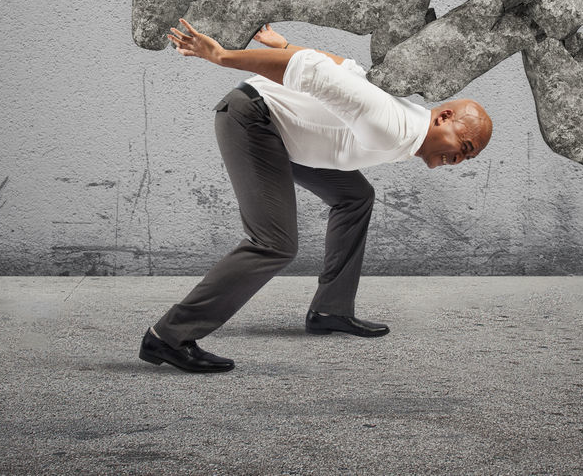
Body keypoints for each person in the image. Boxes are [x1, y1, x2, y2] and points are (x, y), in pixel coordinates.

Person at [139, 19, 493, 373]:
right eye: (463, 146)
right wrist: (221, 56)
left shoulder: (413, 122)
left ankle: (331, 310)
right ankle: (168, 336)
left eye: (468, 157)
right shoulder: (391, 124)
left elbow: (346, 69)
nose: (458, 159)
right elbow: (313, 70)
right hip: (255, 122)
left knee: (356, 196)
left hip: (290, 135)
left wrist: (283, 46)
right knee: (274, 244)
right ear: (444, 116)